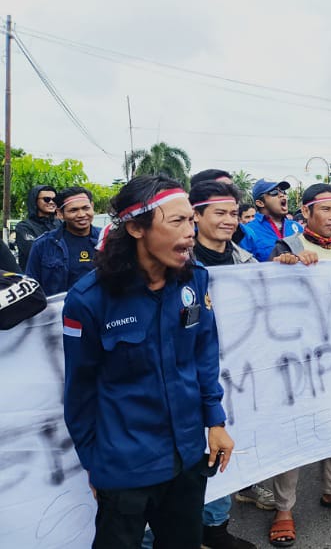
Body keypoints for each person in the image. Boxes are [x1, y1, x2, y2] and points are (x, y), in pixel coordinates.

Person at [62, 174, 234, 548]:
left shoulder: (195, 281)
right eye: (177, 221)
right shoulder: (89, 299)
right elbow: (79, 390)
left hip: (188, 458)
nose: (190, 232)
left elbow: (204, 352)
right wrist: (96, 463)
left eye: (191, 219)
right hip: (125, 466)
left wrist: (215, 420)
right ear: (137, 228)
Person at [266, 183, 331, 547]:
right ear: (306, 213)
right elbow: (265, 296)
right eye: (325, 209)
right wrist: (283, 268)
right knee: (293, 431)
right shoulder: (286, 248)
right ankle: (283, 508)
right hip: (296, 359)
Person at [188, 181, 264, 549]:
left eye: (234, 213)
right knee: (188, 457)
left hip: (237, 374)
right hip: (190, 375)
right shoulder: (179, 263)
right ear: (195, 215)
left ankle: (215, 529)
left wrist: (287, 268)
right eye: (219, 212)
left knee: (224, 452)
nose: (229, 220)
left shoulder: (247, 261)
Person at [26, 187, 100, 296]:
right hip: (60, 311)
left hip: (101, 310)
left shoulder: (108, 239)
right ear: (60, 213)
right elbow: (32, 288)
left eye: (85, 208)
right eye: (73, 210)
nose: (81, 214)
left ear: (92, 207)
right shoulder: (42, 245)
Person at [240, 180, 303, 261]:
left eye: (283, 191)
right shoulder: (248, 231)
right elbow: (245, 267)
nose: (282, 195)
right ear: (260, 203)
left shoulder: (297, 227)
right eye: (274, 192)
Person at [14, 184, 61, 270]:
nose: (51, 202)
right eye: (46, 199)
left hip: (59, 278)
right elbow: (35, 253)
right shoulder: (24, 227)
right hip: (34, 278)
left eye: (55, 199)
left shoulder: (61, 224)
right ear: (35, 201)